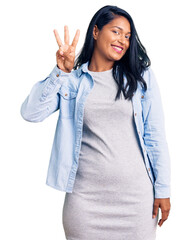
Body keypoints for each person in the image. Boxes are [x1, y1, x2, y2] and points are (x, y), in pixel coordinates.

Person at [20, 5, 171, 240]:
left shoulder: (141, 78)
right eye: (116, 31)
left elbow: (155, 136)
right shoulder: (73, 80)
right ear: (96, 32)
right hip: (85, 201)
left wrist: (163, 189)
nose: (122, 40)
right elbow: (31, 113)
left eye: (128, 36)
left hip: (136, 201)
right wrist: (60, 72)